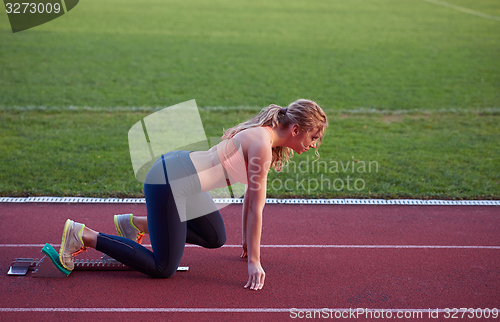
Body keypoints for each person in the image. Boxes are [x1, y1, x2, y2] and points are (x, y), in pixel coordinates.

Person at [59, 99, 328, 291]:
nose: (313, 145)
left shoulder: (264, 138)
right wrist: (254, 262)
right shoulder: (262, 144)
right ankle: (83, 235)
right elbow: (257, 208)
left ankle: (135, 225)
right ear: (296, 130)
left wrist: (247, 242)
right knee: (162, 268)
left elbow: (250, 198)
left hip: (182, 175)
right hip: (170, 182)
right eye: (313, 137)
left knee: (215, 237)